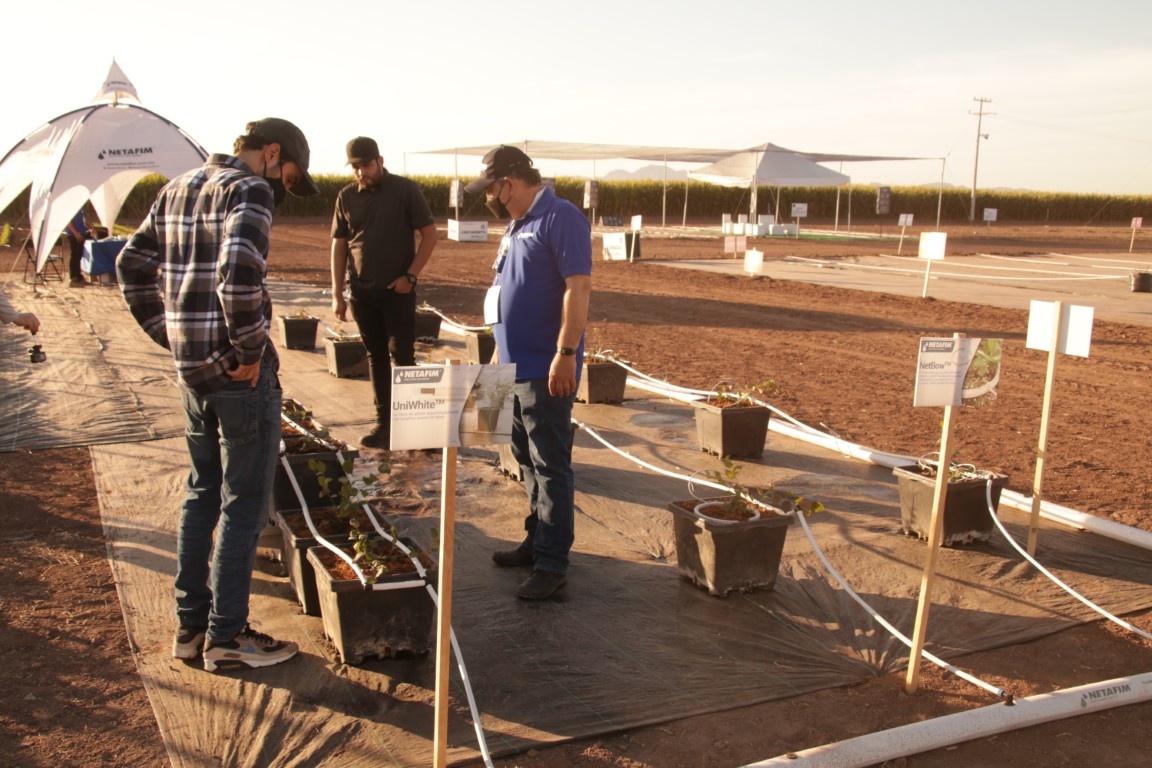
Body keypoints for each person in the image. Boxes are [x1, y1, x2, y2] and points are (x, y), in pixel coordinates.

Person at [116, 117, 319, 672]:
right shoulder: (248, 188)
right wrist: (251, 352)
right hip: (237, 376)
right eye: (287, 177)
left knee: (201, 492)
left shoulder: (177, 187)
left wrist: (173, 335)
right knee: (243, 503)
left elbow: (130, 264)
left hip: (193, 375)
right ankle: (227, 638)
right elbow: (238, 274)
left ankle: (190, 632)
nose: (281, 190)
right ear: (271, 154)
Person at [464, 146, 592, 600]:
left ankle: (553, 565)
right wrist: (499, 354)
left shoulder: (562, 218)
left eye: (492, 191)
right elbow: (504, 292)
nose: (490, 200)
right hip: (512, 366)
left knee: (551, 464)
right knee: (525, 458)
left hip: (545, 366)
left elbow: (578, 287)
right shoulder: (518, 226)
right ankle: (537, 539)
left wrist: (565, 352)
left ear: (510, 183)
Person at [330, 136, 438, 449]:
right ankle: (386, 426)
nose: (360, 172)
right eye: (355, 167)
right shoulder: (346, 196)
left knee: (402, 356)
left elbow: (429, 235)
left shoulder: (406, 190)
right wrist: (338, 293)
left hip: (398, 292)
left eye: (364, 165)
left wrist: (410, 277)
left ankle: (416, 429)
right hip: (362, 293)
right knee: (375, 357)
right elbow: (339, 245)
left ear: (379, 160)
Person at [64, 208, 90, 287]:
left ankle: (78, 276)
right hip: (73, 234)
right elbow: (67, 222)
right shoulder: (70, 206)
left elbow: (83, 219)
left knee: (78, 255)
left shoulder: (81, 206)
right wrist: (75, 233)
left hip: (81, 232)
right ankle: (73, 278)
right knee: (75, 255)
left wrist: (91, 227)